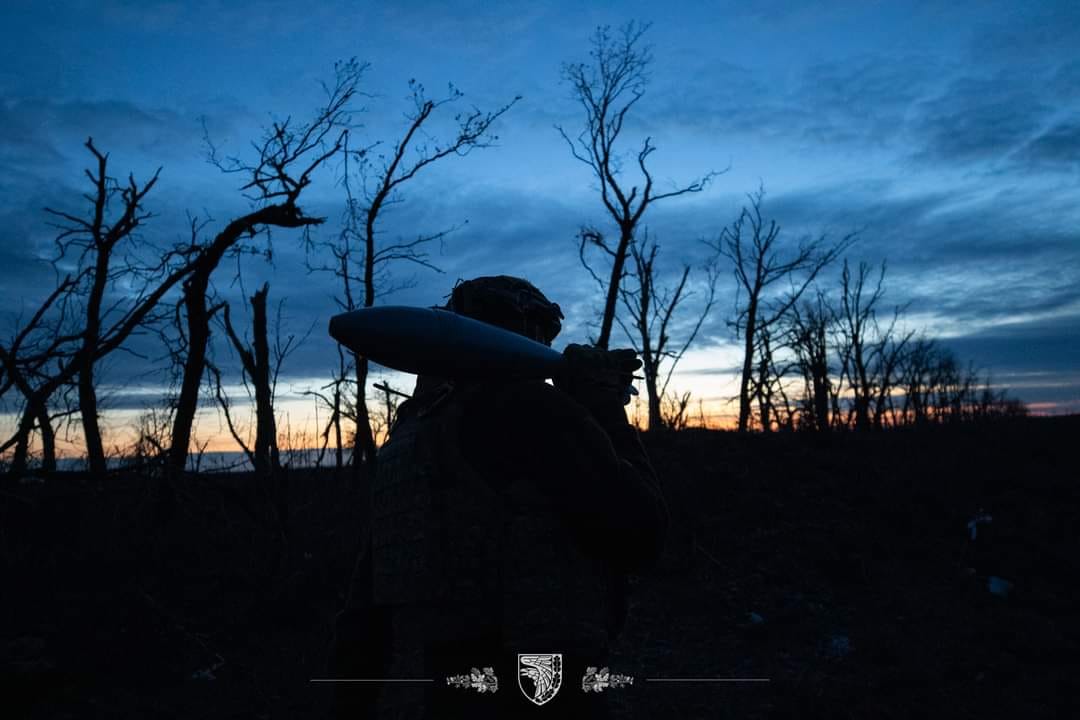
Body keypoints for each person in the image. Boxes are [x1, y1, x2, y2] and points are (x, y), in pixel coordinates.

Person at [329, 275, 667, 719]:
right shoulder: (532, 410)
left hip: (448, 687)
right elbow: (642, 532)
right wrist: (603, 407)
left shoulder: (412, 433)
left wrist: (351, 703)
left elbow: (364, 605)